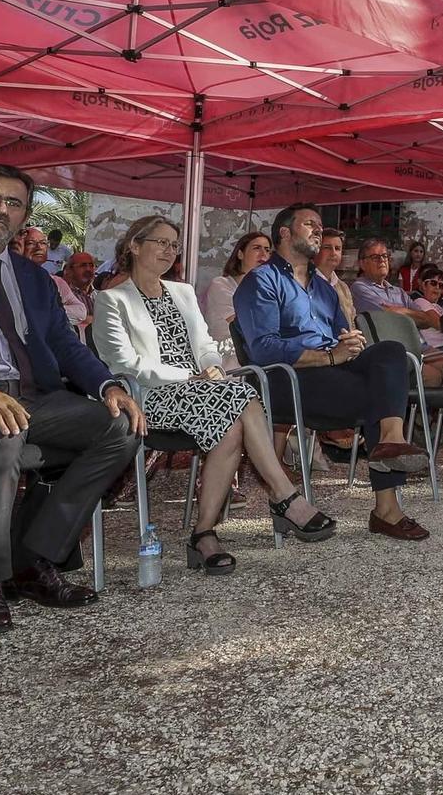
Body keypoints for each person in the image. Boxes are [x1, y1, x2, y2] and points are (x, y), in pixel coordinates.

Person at [0, 163, 145, 635]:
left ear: (24, 216)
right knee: (3, 431)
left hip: (33, 399)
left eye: (14, 203)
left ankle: (33, 559)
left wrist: (110, 387)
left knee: (119, 427)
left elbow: (65, 346)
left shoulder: (34, 277)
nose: (2, 209)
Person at [93, 216, 335, 568]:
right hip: (150, 396)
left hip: (205, 393)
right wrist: (189, 377)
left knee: (234, 408)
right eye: (160, 242)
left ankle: (205, 533)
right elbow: (124, 364)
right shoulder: (112, 300)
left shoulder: (183, 292)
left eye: (173, 245)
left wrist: (213, 368)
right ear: (134, 245)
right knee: (239, 398)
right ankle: (283, 498)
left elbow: (206, 345)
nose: (168, 251)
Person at [235, 203, 432, 540]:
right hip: (288, 379)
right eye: (309, 224)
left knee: (390, 352)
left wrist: (352, 342)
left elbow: (341, 334)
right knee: (380, 394)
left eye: (320, 226)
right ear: (284, 232)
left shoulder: (324, 288)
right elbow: (263, 349)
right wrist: (328, 356)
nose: (318, 231)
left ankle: (391, 440)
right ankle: (387, 506)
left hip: (333, 372)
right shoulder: (262, 281)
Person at [351, 238, 443, 385]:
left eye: (385, 256)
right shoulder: (360, 288)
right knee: (434, 376)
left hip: (419, 346)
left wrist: (401, 311)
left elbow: (426, 320)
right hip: (394, 350)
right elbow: (387, 316)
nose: (382, 261)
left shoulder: (398, 292)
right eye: (375, 257)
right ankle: (415, 408)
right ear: (362, 264)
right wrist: (405, 313)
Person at [204, 230, 271, 363]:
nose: (264, 254)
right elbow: (244, 326)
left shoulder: (267, 290)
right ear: (240, 254)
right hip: (227, 363)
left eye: (267, 250)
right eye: (257, 248)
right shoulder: (221, 284)